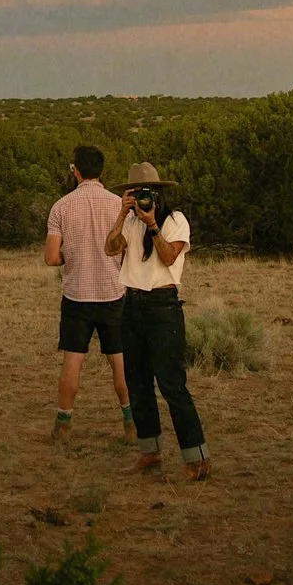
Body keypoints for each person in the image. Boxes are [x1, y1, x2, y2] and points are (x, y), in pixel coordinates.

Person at [103, 163, 208, 478]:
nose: (142, 198)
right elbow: (110, 249)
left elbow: (168, 256)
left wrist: (152, 225)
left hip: (163, 308)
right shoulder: (130, 222)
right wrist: (122, 215)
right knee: (136, 383)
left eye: (146, 193)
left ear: (159, 194)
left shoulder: (176, 221)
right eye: (135, 193)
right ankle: (149, 452)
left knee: (172, 385)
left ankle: (197, 458)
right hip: (131, 305)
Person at [45, 144, 134, 442]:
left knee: (73, 360)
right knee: (120, 360)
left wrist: (74, 257)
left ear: (76, 170)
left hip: (77, 295)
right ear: (102, 171)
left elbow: (51, 257)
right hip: (113, 292)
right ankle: (130, 420)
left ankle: (64, 423)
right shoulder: (117, 205)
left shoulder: (61, 207)